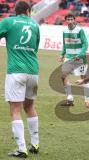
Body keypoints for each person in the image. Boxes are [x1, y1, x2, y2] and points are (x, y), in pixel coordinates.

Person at [0, 1, 40, 158]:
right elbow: (35, 47)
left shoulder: (9, 21)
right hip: (33, 71)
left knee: (15, 109)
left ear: (15, 11)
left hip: (16, 71)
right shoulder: (35, 25)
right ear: (28, 11)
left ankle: (21, 148)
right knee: (29, 106)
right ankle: (35, 144)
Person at [59, 13, 89, 107]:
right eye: (68, 19)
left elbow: (85, 43)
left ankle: (87, 100)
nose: (69, 21)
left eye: (71, 19)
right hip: (68, 57)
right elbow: (65, 44)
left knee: (84, 78)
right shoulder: (64, 31)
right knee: (63, 76)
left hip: (79, 58)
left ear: (74, 20)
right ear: (66, 21)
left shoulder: (80, 30)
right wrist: (62, 54)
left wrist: (80, 54)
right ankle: (70, 99)